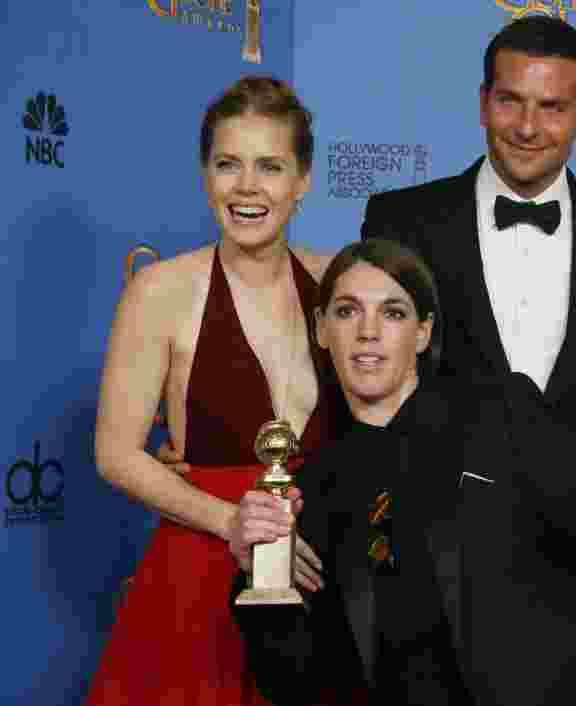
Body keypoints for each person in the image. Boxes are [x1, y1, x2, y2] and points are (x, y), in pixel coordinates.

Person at [230, 239, 576, 706]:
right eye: (347, 311)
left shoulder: (501, 413)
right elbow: (297, 682)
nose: (368, 332)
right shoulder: (313, 491)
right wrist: (260, 576)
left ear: (422, 332)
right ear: (321, 329)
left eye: (393, 313)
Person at [360, 19, 576, 599]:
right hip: (432, 559)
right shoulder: (402, 221)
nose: (528, 128)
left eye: (552, 107)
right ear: (483, 103)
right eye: (510, 102)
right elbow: (361, 371)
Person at [87, 77, 365, 705]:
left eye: (270, 166)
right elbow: (115, 452)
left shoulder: (340, 282)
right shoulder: (158, 290)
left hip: (320, 573)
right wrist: (230, 521)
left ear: (303, 180)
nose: (247, 187)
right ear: (205, 175)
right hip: (201, 571)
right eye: (227, 164)